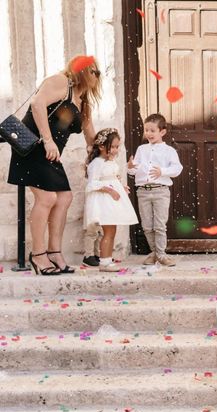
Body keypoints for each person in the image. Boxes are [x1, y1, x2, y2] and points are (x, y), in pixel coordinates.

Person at [7, 55, 101, 275]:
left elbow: (91, 137)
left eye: (97, 72)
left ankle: (54, 253)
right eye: (92, 70)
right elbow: (37, 104)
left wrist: (106, 152)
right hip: (33, 147)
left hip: (50, 154)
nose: (95, 75)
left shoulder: (83, 100)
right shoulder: (61, 82)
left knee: (65, 197)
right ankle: (38, 255)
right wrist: (48, 141)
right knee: (47, 198)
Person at [127, 114, 183, 266]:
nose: (149, 134)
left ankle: (161, 254)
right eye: (146, 130)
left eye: (152, 130)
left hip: (160, 191)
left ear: (162, 132)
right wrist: (130, 168)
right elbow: (134, 170)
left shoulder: (169, 150)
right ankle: (154, 252)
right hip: (143, 191)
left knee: (159, 225)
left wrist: (162, 172)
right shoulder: (141, 149)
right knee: (146, 225)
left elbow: (177, 168)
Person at [84, 128, 138, 272]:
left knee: (112, 231)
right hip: (104, 201)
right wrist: (110, 190)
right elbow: (92, 183)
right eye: (112, 147)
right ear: (101, 146)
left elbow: (114, 178)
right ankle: (104, 262)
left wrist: (121, 187)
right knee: (108, 232)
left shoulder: (110, 162)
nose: (115, 150)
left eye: (117, 147)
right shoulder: (97, 163)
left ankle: (107, 260)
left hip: (112, 200)